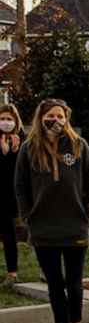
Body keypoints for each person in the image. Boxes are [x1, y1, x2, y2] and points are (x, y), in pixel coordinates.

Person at [14, 98, 89, 323]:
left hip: (75, 225)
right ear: (41, 118)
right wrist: (27, 214)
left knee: (73, 284)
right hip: (43, 228)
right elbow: (20, 186)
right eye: (50, 116)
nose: (56, 121)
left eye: (60, 116)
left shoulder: (78, 146)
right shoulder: (29, 149)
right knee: (54, 285)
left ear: (67, 117)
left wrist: (88, 210)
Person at [0, 103, 24, 286]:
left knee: (33, 232)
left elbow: (26, 169)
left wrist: (15, 153)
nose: (6, 122)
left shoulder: (23, 140)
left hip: (22, 193)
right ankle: (12, 272)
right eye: (2, 119)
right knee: (7, 233)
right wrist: (4, 154)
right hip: (3, 196)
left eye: (9, 119)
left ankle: (44, 270)